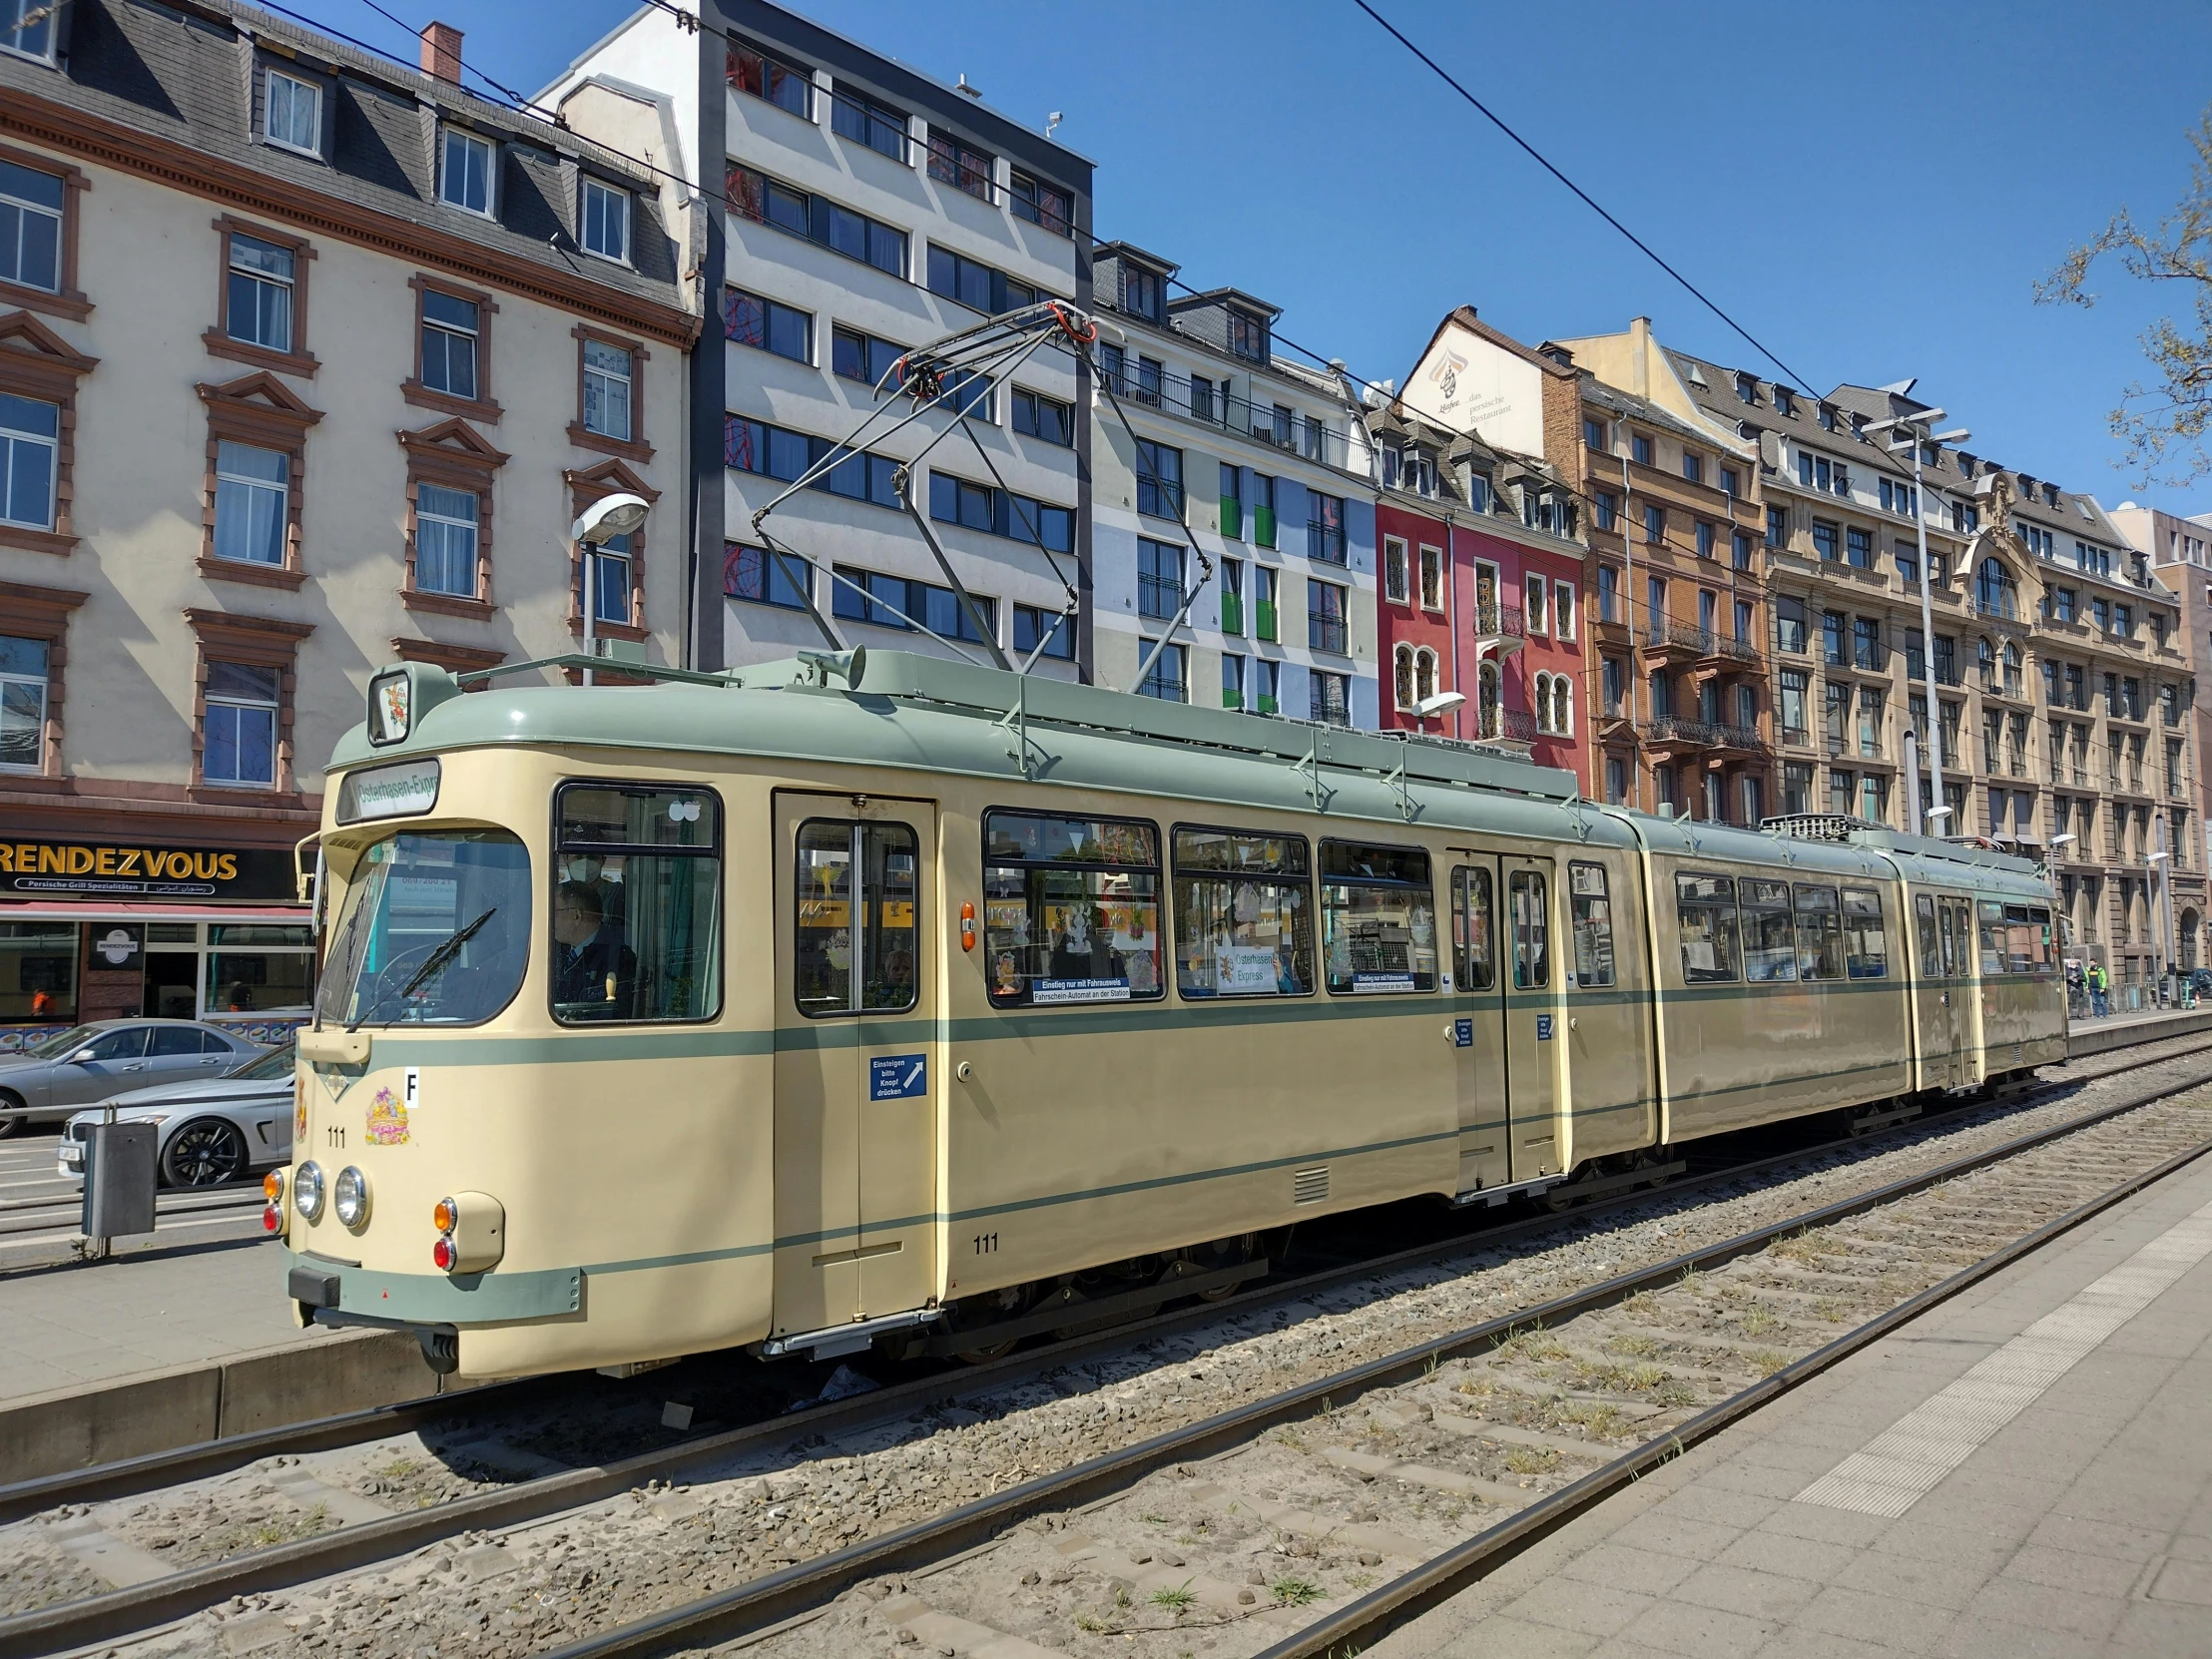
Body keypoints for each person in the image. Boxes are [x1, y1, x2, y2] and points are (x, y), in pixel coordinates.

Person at [552, 879, 635, 1017]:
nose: (549, 918)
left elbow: (606, 1018)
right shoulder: (559, 950)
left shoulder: (618, 958)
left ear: (576, 915)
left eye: (554, 911)